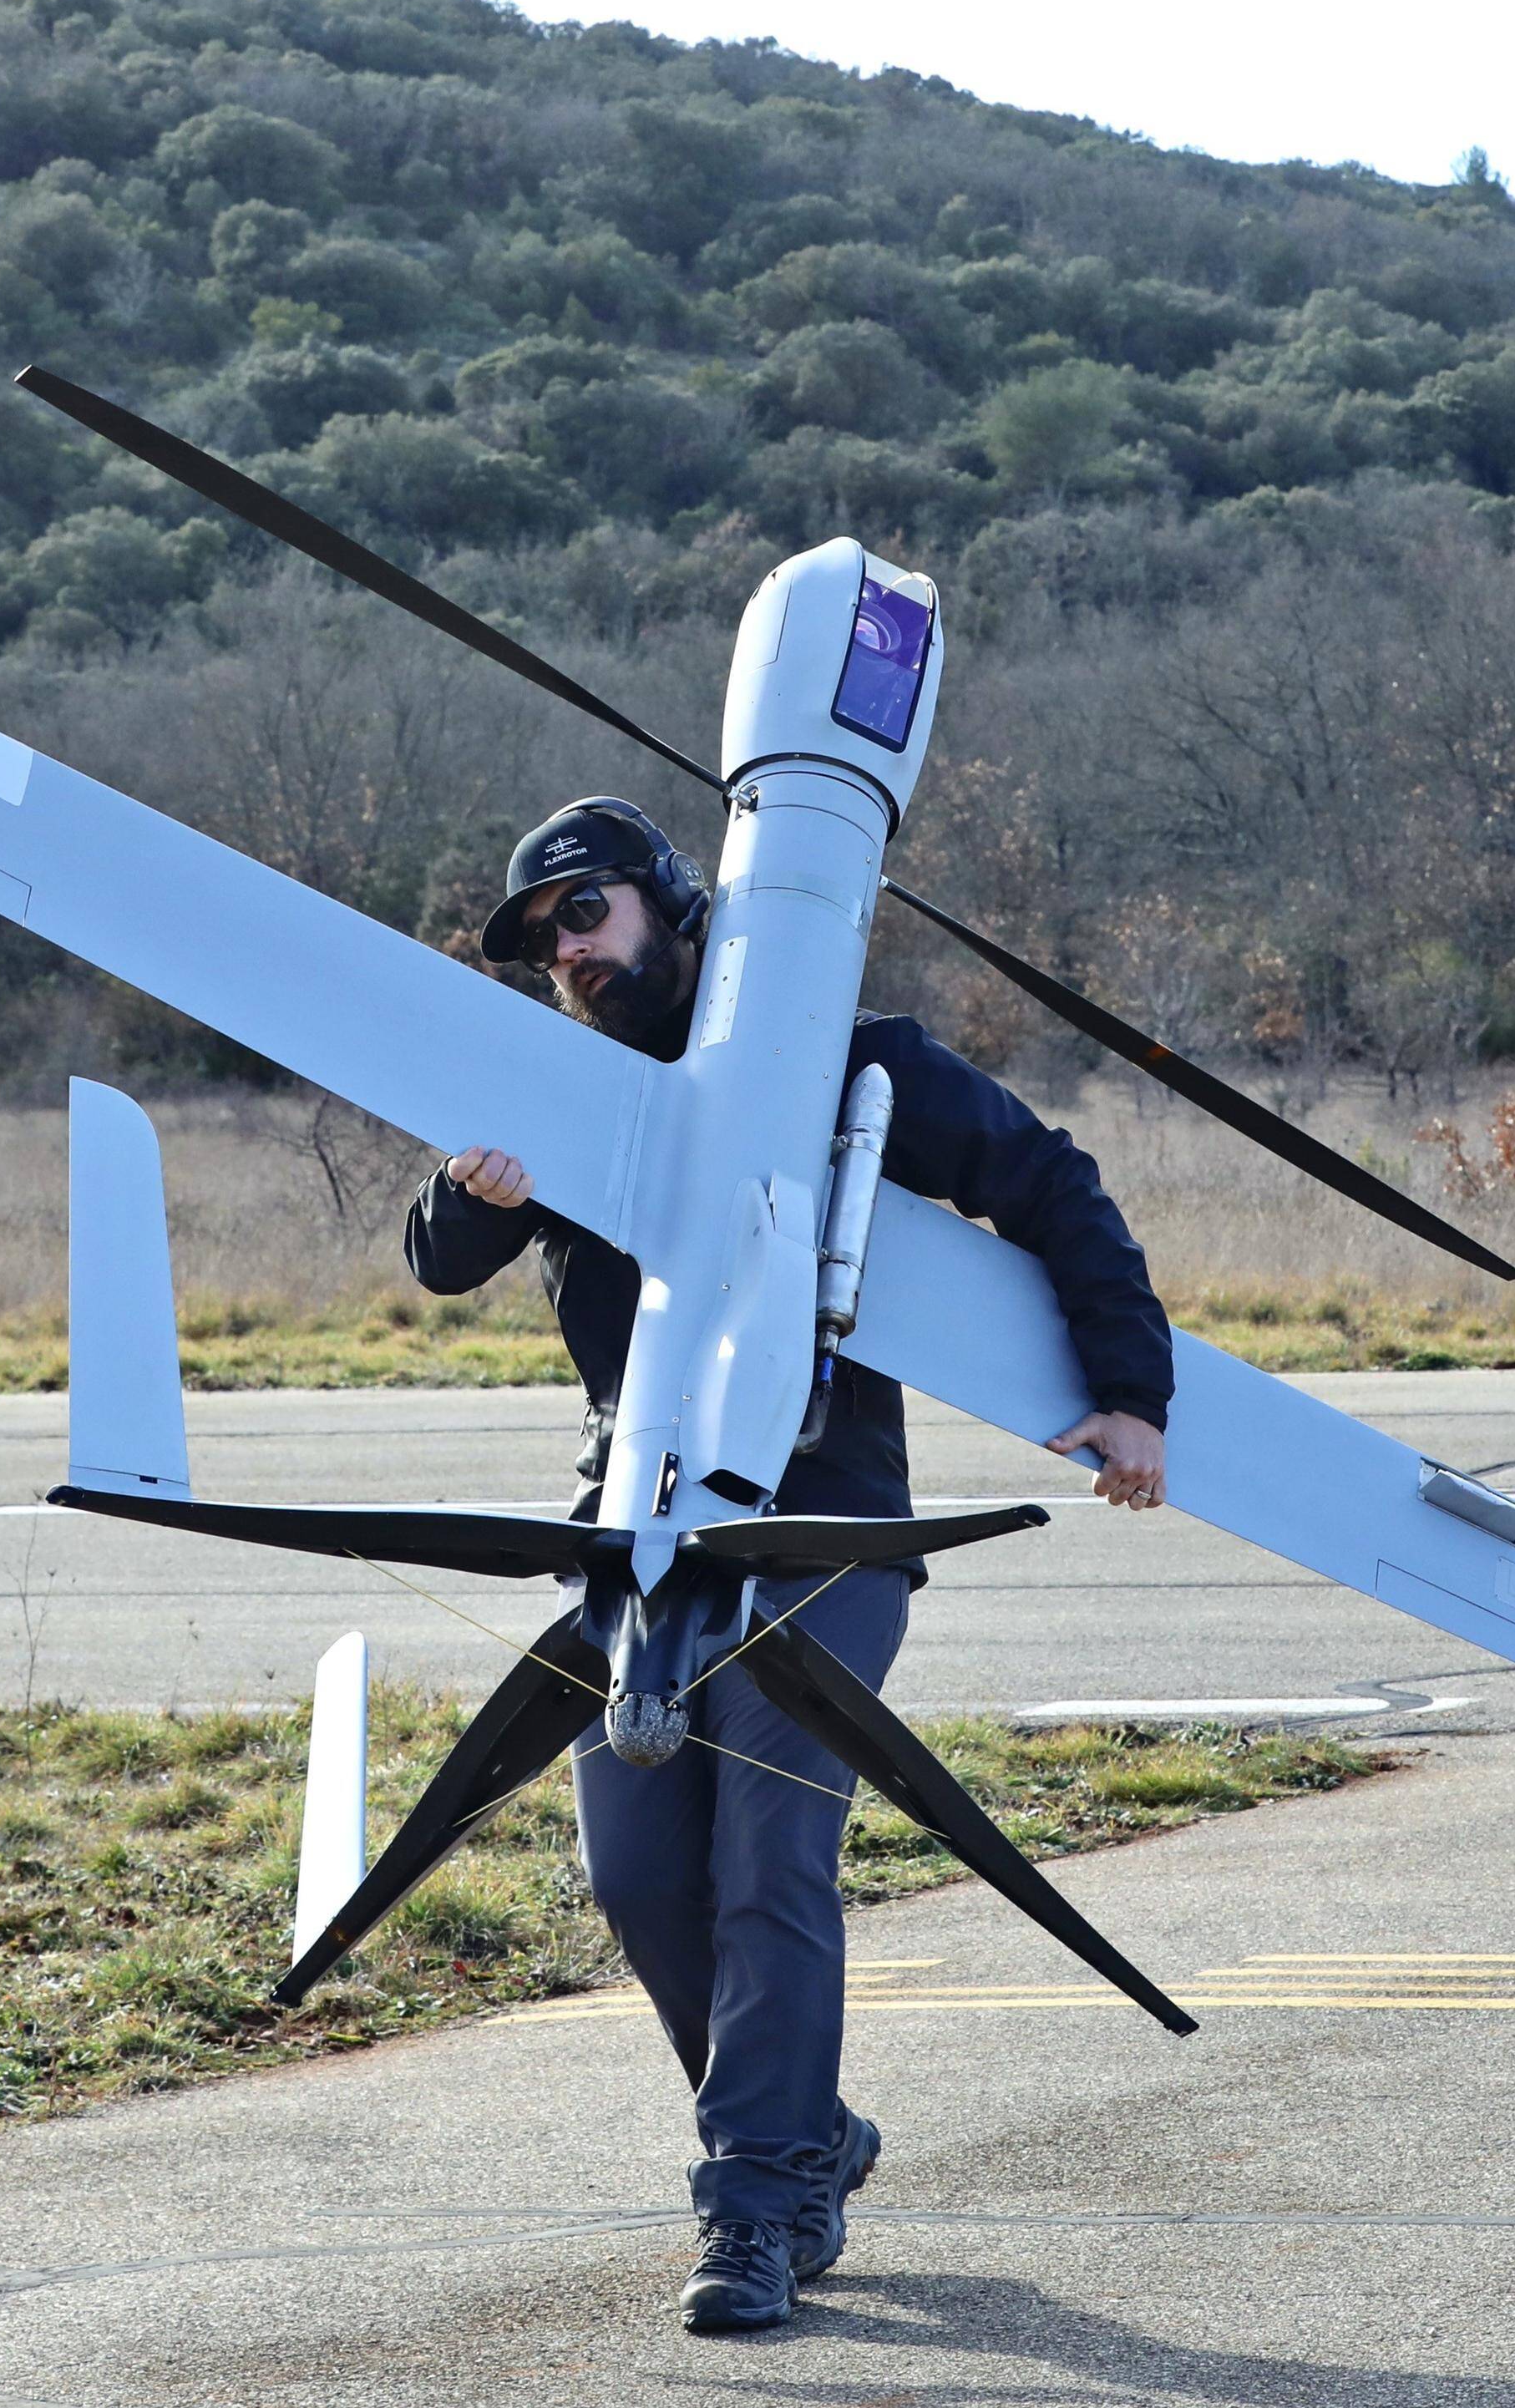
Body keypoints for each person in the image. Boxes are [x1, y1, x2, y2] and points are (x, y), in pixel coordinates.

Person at [404, 795, 1173, 2334]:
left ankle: (756, 2207)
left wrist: (1131, 1389)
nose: (567, 951)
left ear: (672, 902)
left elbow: (1052, 1184)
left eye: (588, 911)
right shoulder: (566, 1090)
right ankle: (806, 2134)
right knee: (632, 1871)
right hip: (633, 1532)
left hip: (824, 1532)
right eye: (543, 936)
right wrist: (470, 1185)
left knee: (769, 1860)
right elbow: (436, 1257)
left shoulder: (848, 1060)